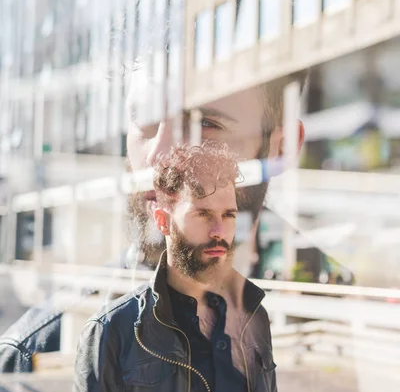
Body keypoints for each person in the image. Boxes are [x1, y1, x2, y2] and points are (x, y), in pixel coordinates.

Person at [0, 81, 305, 373]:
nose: (158, 155)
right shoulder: (40, 352)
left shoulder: (326, 320)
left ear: (283, 146)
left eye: (205, 124)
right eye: (145, 120)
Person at [67, 141, 291, 392]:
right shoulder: (113, 334)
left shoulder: (254, 317)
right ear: (162, 220)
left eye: (229, 214)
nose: (220, 230)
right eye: (203, 214)